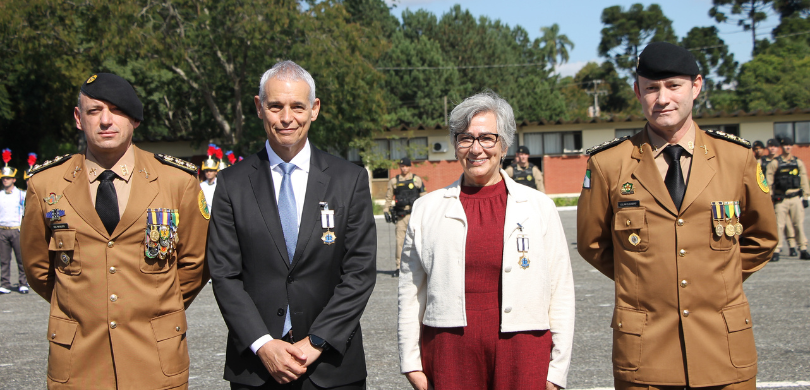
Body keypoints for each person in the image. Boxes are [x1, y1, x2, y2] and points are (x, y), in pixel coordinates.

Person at [577, 42, 777, 390]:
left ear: (696, 86)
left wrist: (716, 279)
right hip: (646, 352)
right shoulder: (609, 164)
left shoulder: (736, 158)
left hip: (723, 347)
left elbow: (762, 238)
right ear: (638, 92)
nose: (662, 98)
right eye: (651, 88)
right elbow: (592, 243)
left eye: (674, 86)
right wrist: (645, 281)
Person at [20, 73, 210, 389]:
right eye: (94, 111)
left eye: (117, 110)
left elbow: (195, 263)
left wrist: (153, 306)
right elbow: (38, 268)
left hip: (153, 357)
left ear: (134, 119)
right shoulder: (45, 184)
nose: (106, 120)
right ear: (79, 119)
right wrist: (85, 302)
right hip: (79, 361)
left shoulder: (177, 182)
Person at [207, 60, 377, 390]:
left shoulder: (349, 180)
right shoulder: (231, 184)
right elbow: (225, 275)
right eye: (275, 106)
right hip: (257, 368)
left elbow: (359, 272)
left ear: (314, 109)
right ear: (259, 107)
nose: (287, 118)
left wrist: (316, 341)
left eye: (297, 106)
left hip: (331, 364)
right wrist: (262, 344)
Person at [398, 91, 575, 390]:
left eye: (487, 138)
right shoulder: (426, 209)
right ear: (456, 146)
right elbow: (410, 291)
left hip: (522, 353)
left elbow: (561, 290)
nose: (476, 149)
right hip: (449, 353)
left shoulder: (538, 207)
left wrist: (557, 369)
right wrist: (410, 361)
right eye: (465, 138)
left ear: (504, 144)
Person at [766, 136, 810, 261]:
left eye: (790, 145)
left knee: (798, 225)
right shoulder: (775, 163)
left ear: (792, 146)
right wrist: (769, 197)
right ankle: (777, 250)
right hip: (781, 199)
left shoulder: (798, 162)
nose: (787, 147)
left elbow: (803, 179)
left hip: (795, 197)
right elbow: (768, 182)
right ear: (782, 147)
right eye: (785, 145)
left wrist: (806, 196)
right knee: (779, 226)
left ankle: (803, 248)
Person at [383, 157, 426, 277]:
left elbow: (424, 197)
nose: (404, 168)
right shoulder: (394, 181)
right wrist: (386, 210)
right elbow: (388, 197)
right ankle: (398, 267)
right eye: (402, 166)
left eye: (406, 166)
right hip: (401, 216)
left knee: (418, 241)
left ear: (410, 167)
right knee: (400, 242)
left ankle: (420, 266)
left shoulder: (416, 180)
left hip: (415, 215)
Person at [0, 151, 28, 294]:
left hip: (17, 229)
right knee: (4, 260)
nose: (5, 180)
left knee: (20, 258)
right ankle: (4, 283)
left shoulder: (21, 194)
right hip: (3, 230)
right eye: (4, 178)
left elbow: (27, 211)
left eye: (8, 178)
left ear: (14, 180)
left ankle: (23, 283)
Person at [201, 143, 221, 212]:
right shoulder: (201, 185)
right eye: (206, 171)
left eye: (211, 171)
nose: (208, 173)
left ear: (216, 172)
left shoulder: (220, 184)